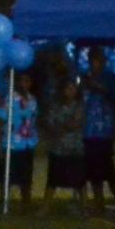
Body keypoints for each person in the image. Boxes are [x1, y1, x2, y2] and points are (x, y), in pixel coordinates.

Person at [80, 46, 115, 215]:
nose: (94, 63)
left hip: (105, 131)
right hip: (87, 131)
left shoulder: (112, 79)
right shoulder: (84, 79)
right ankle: (99, 203)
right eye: (92, 60)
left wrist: (101, 89)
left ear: (104, 62)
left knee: (108, 168)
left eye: (98, 60)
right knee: (92, 170)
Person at [41, 72, 86, 211]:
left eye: (73, 88)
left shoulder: (79, 106)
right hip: (58, 148)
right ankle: (45, 207)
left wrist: (62, 127)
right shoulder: (55, 106)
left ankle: (84, 207)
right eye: (68, 88)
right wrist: (64, 127)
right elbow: (50, 125)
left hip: (75, 147)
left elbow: (76, 124)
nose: (71, 91)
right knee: (53, 179)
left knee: (80, 180)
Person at [0, 70, 38, 208]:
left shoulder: (33, 100)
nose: (24, 84)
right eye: (22, 81)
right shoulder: (10, 98)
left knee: (26, 178)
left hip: (27, 144)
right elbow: (0, 120)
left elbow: (34, 120)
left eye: (27, 81)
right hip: (10, 143)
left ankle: (26, 205)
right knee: (6, 177)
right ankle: (5, 203)